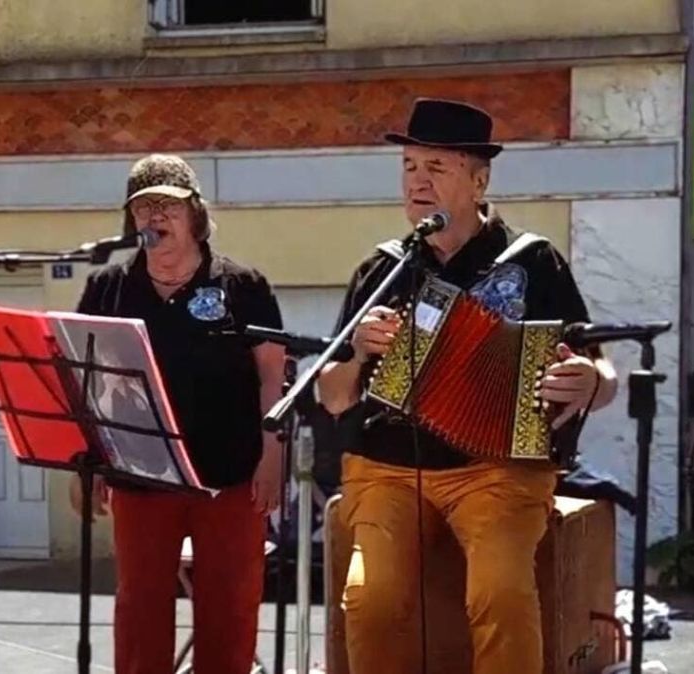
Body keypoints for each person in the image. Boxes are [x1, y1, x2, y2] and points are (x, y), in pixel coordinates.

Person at [318, 98, 619, 674]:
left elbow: (602, 377)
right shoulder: (384, 270)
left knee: (500, 594)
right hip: (388, 469)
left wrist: (589, 382)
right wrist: (357, 354)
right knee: (371, 598)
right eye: (409, 166)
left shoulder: (532, 262)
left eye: (436, 167)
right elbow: (332, 396)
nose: (417, 181)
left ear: (479, 181)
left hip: (498, 467)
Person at [70, 153, 286, 674]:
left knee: (230, 609)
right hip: (139, 474)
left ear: (196, 214)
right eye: (144, 206)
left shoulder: (243, 286)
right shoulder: (107, 287)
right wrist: (83, 462)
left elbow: (272, 376)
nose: (155, 216)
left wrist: (273, 452)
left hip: (229, 473)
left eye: (169, 204)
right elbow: (84, 378)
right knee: (140, 609)